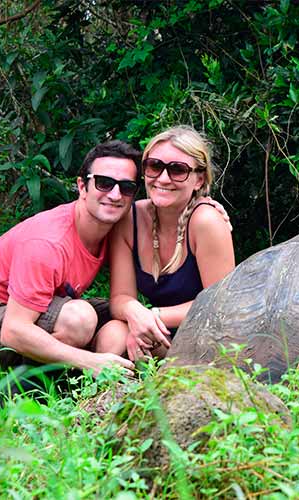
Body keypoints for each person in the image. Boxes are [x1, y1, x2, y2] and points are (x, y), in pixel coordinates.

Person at [0, 141, 140, 376]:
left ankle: (88, 388)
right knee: (78, 319)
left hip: (28, 311)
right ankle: (23, 392)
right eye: (104, 183)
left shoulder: (114, 228)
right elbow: (14, 331)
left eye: (126, 187)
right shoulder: (48, 241)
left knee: (121, 317)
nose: (115, 195)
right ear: (82, 186)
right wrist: (90, 360)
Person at [94, 126, 235, 361]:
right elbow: (120, 297)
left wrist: (152, 316)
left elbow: (219, 304)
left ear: (199, 179)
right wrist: (135, 313)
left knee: (133, 333)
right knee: (114, 333)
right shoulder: (130, 219)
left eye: (178, 170)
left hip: (205, 334)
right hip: (159, 330)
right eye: (155, 166)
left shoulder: (206, 221)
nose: (163, 178)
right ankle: (114, 394)